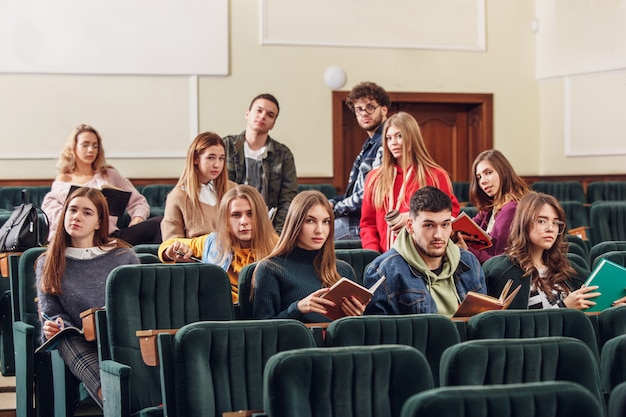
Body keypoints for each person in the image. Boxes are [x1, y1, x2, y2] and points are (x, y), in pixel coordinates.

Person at [37, 187, 139, 408]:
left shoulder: (123, 256)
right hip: (78, 340)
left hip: (119, 336)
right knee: (64, 336)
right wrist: (51, 326)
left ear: (99, 223)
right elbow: (51, 312)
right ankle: (116, 402)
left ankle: (122, 403)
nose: (77, 217)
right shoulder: (49, 261)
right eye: (72, 210)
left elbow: (138, 306)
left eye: (87, 212)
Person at [363, 186, 485, 317]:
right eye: (429, 225)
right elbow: (381, 334)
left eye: (445, 225)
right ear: (410, 226)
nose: (438, 235)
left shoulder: (469, 261)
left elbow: (482, 325)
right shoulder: (383, 272)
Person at [252, 190, 366, 323]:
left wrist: (357, 317)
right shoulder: (270, 269)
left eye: (326, 222)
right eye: (310, 221)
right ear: (295, 223)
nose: (319, 230)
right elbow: (263, 330)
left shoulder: (343, 270)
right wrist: (297, 309)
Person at [42, 124, 162, 246]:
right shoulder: (64, 179)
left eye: (95, 146)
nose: (91, 150)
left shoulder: (109, 174)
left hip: (110, 238)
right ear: (73, 147)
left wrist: (137, 220)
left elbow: (139, 202)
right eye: (85, 145)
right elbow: (54, 215)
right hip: (78, 239)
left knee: (159, 222)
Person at [158, 185, 278, 302]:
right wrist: (171, 251)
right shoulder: (213, 242)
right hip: (221, 314)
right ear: (226, 219)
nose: (244, 222)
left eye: (250, 214)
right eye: (236, 215)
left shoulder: (277, 245)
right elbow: (167, 245)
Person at [360, 112, 460, 253]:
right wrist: (373, 255)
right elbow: (368, 224)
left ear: (412, 138)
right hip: (385, 258)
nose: (393, 142)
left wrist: (413, 216)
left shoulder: (436, 175)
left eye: (399, 136)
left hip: (425, 257)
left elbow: (452, 215)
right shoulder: (374, 177)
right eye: (389, 138)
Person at [484, 192, 598, 310]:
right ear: (524, 224)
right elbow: (513, 324)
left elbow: (597, 294)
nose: (550, 229)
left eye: (555, 223)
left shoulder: (565, 266)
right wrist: (564, 307)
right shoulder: (505, 270)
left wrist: (616, 301)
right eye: (541, 221)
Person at [223, 93, 297, 233]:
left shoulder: (283, 154)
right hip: (230, 225)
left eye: (270, 115)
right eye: (259, 110)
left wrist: (277, 234)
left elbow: (288, 200)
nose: (263, 116)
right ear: (247, 113)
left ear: (273, 124)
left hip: (267, 228)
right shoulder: (226, 146)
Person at [330, 82, 390, 241]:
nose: (364, 113)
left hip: (364, 225)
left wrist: (335, 208)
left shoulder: (386, 141)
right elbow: (354, 193)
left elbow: (370, 195)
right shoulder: (369, 145)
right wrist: (331, 203)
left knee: (305, 234)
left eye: (370, 107)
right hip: (353, 220)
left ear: (384, 109)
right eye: (359, 109)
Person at [455, 149, 530, 263]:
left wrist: (466, 249)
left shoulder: (511, 208)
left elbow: (498, 261)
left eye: (488, 173)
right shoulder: (491, 206)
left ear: (503, 171)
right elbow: (469, 227)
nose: (483, 181)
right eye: (479, 177)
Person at [161, 132, 237, 240]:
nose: (217, 165)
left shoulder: (234, 190)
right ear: (196, 159)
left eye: (221, 158)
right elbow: (171, 243)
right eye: (211, 158)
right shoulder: (178, 196)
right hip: (197, 256)